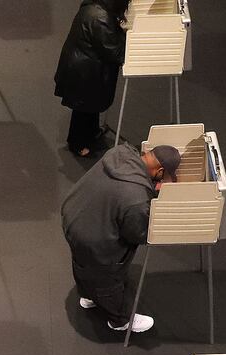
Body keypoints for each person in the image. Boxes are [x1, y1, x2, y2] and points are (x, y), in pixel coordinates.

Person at [61, 144, 180, 333]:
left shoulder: (120, 153)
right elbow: (137, 234)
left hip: (73, 217)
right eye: (165, 176)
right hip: (95, 239)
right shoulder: (136, 198)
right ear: (160, 171)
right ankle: (119, 320)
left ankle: (88, 296)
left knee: (82, 262)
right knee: (108, 278)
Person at [54, 0, 130, 157]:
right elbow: (114, 52)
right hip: (85, 73)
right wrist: (127, 36)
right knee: (83, 110)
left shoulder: (96, 8)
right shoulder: (100, 18)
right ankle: (77, 143)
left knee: (89, 106)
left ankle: (92, 133)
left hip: (83, 68)